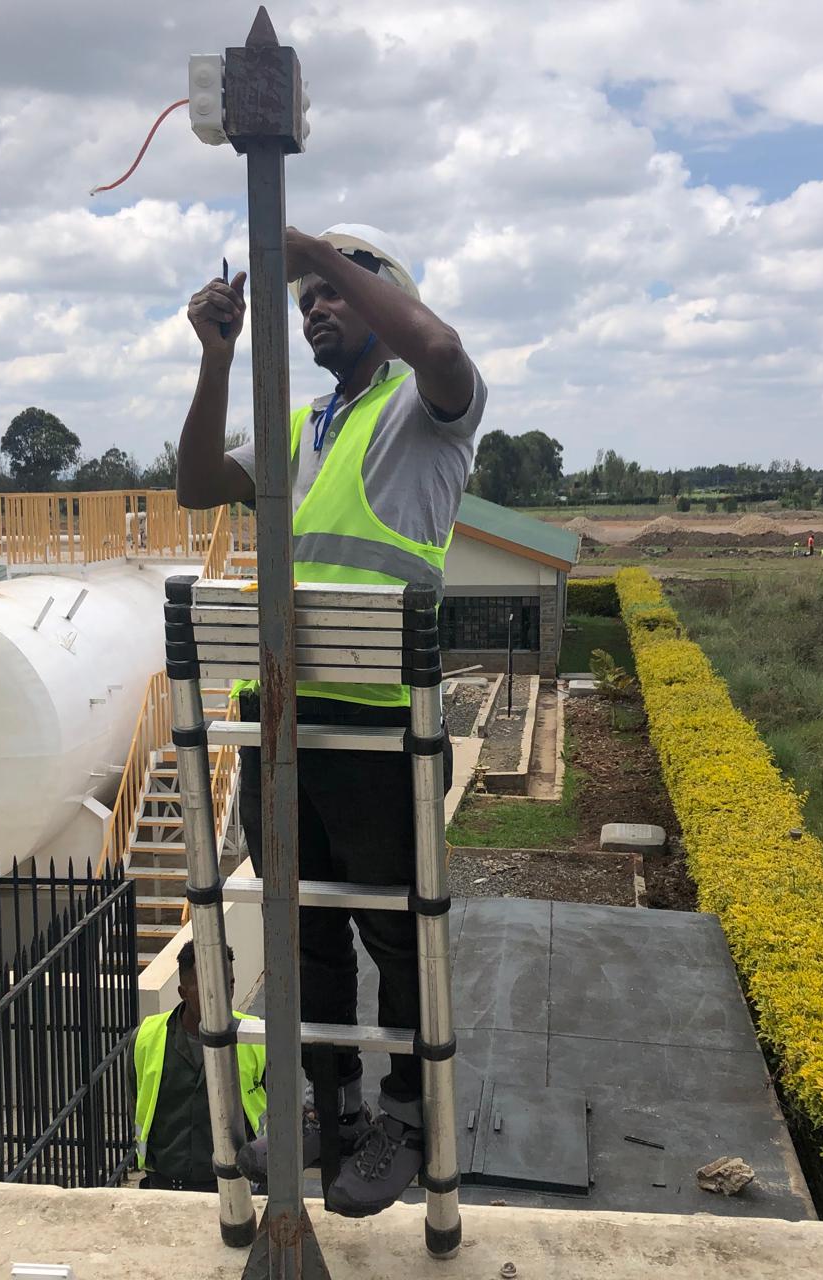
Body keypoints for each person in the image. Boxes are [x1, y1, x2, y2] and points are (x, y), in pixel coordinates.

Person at [175, 224, 486, 1217]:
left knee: (395, 932)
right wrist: (218, 357)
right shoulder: (299, 425)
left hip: (377, 721)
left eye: (332, 292)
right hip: (279, 720)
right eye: (300, 295)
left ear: (382, 296)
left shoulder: (424, 408)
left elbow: (439, 350)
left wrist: (299, 237)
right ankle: (332, 1104)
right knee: (298, 923)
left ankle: (406, 1108)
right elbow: (192, 484)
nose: (312, 306)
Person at [131, 942, 266, 1192]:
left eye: (230, 984)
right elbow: (137, 1100)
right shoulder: (147, 1038)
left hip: (235, 1187)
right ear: (183, 992)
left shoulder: (254, 1038)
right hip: (165, 1188)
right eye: (209, 988)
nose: (223, 996)